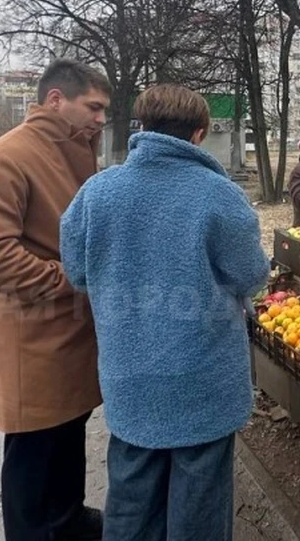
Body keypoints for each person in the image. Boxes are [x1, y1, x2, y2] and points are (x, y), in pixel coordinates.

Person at [59, 84, 270, 541]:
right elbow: (251, 275)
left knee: (131, 501)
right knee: (199, 506)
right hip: (203, 382)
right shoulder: (219, 194)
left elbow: (76, 271)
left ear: (142, 126)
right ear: (198, 134)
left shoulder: (97, 193)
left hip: (129, 376)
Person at [0, 59, 111, 541]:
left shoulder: (72, 150)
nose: (101, 119)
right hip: (33, 338)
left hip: (66, 334)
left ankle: (66, 519)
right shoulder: (6, 157)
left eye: (105, 110)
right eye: (94, 107)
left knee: (65, 439)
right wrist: (70, 279)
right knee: (33, 453)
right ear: (55, 100)